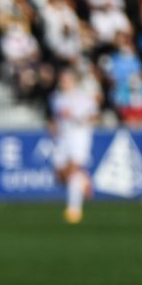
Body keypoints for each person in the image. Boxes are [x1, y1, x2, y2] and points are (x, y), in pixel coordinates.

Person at [48, 68, 99, 224]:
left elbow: (95, 117)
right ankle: (83, 179)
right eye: (61, 79)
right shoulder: (56, 98)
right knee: (60, 176)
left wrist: (77, 118)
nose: (63, 82)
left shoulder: (83, 98)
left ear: (74, 81)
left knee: (72, 170)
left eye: (66, 79)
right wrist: (53, 125)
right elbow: (57, 117)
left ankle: (74, 210)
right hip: (63, 138)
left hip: (79, 137)